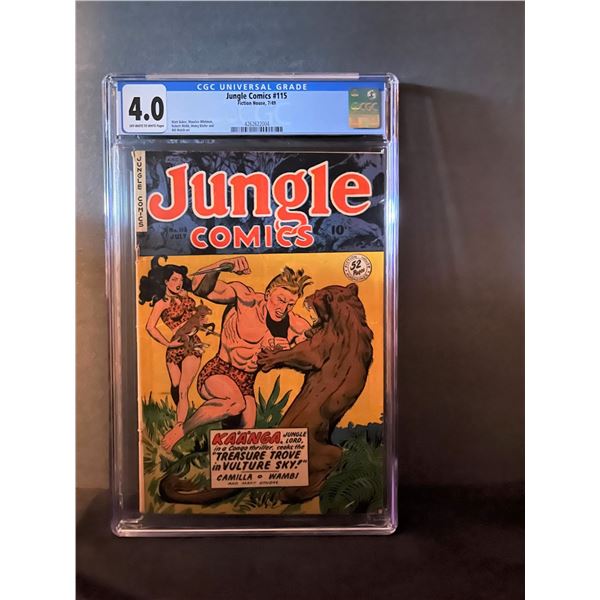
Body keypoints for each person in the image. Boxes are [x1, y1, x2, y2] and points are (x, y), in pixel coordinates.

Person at [161, 257, 312, 451]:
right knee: (235, 403)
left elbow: (314, 346)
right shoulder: (245, 299)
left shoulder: (294, 324)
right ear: (268, 294)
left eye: (290, 304)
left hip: (247, 382)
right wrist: (222, 265)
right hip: (219, 372)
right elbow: (200, 288)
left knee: (246, 434)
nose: (282, 309)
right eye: (280, 300)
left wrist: (288, 350)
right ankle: (182, 430)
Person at [139, 256, 249, 435]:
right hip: (174, 348)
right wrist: (168, 343)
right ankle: (181, 410)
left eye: (180, 280)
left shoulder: (186, 294)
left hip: (192, 346)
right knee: (176, 386)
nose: (179, 283)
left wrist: (221, 266)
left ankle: (179, 425)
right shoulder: (161, 304)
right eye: (174, 280)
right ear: (166, 282)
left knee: (183, 388)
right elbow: (150, 327)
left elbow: (200, 281)